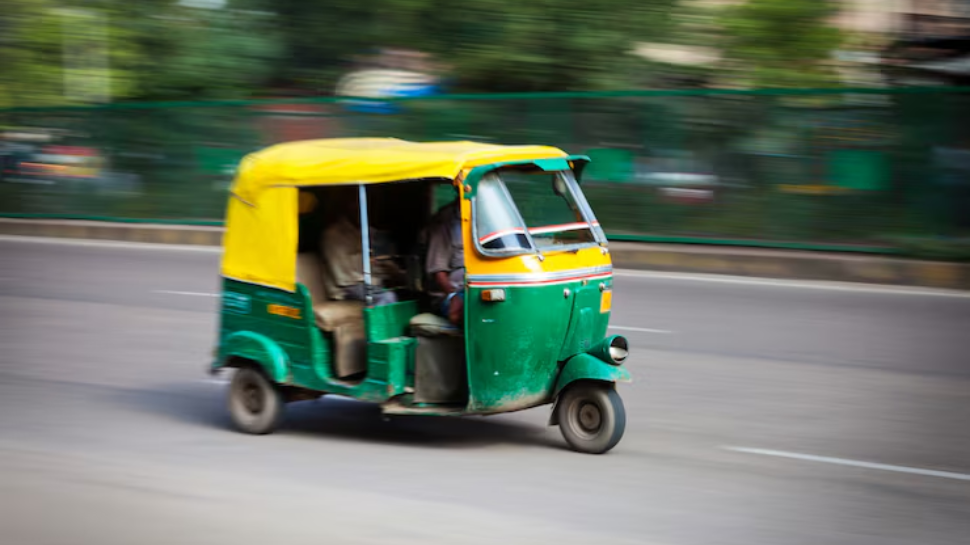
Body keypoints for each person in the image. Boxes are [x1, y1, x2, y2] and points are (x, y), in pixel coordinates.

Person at [321, 207, 401, 306]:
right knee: (388, 297)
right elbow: (344, 278)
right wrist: (374, 279)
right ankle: (377, 321)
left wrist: (387, 270)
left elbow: (369, 263)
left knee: (402, 293)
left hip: (363, 282)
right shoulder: (333, 235)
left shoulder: (362, 231)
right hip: (346, 288)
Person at [425, 198, 464, 325]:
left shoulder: (486, 217)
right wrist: (453, 296)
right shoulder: (445, 221)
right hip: (452, 293)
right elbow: (438, 271)